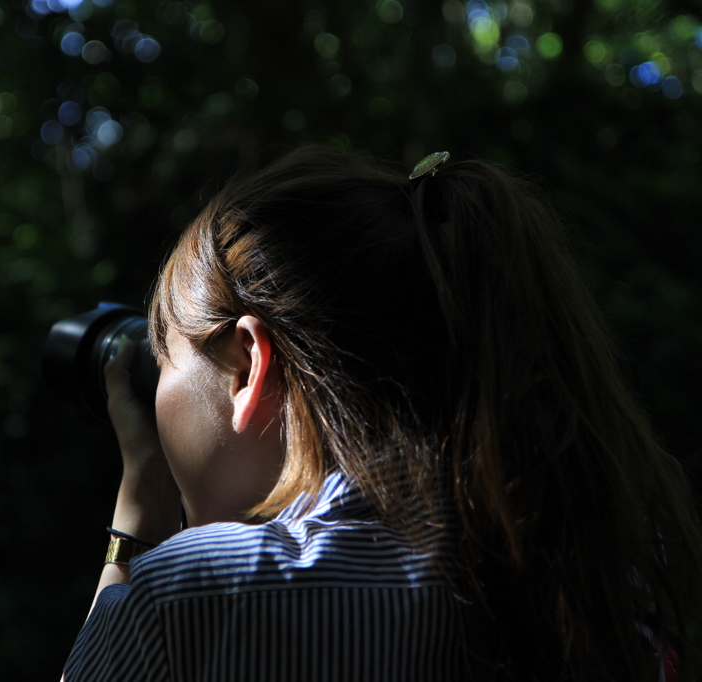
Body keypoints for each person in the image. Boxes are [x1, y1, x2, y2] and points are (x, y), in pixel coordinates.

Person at [62, 146, 702, 681]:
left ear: (249, 367)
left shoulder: (185, 602)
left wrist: (138, 515)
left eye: (163, 358)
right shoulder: (607, 572)